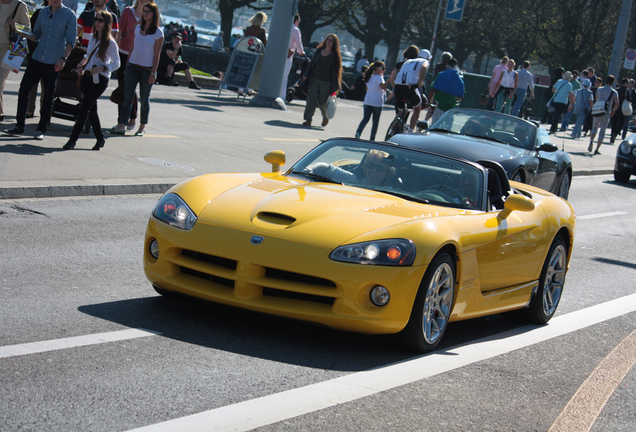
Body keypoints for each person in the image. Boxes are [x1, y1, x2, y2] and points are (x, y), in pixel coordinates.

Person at [6, 0, 76, 140]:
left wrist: (63, 59)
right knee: (24, 89)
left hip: (54, 60)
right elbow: (36, 35)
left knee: (48, 96)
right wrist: (23, 32)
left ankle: (41, 129)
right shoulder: (43, 12)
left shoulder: (70, 15)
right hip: (37, 57)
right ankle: (20, 126)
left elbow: (71, 42)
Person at [62, 10, 119, 150]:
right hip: (88, 76)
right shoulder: (93, 38)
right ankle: (100, 138)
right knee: (91, 110)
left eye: (100, 20)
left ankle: (72, 140)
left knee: (84, 108)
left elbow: (117, 63)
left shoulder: (111, 43)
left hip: (100, 79)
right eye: (96, 19)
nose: (97, 23)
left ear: (107, 24)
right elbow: (88, 55)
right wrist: (81, 65)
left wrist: (104, 68)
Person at [110, 1, 163, 136]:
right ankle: (122, 124)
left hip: (147, 69)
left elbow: (157, 54)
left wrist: (153, 72)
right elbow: (133, 47)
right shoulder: (138, 28)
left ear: (154, 14)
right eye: (143, 11)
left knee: (145, 99)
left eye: (147, 12)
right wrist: (127, 65)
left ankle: (142, 126)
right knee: (127, 97)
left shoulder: (158, 32)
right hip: (133, 66)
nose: (144, 14)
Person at [116, 0, 151, 132]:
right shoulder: (127, 11)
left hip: (138, 57)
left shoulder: (149, 16)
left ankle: (130, 117)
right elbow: (120, 31)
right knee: (123, 87)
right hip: (123, 52)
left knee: (129, 89)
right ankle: (123, 120)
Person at [302, 33, 342, 128]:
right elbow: (311, 63)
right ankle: (308, 119)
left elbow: (336, 71)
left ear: (334, 43)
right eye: (328, 39)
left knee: (322, 102)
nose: (329, 42)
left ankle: (325, 117)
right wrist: (306, 75)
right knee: (311, 99)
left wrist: (337, 84)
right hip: (314, 79)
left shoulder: (334, 55)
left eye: (331, 41)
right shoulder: (319, 50)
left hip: (326, 82)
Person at [0, 0, 30, 122]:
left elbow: (28, 29)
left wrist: (15, 25)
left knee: (0, 81)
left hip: (10, 48)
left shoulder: (20, 6)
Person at [390, 45, 429, 131]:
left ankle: (392, 131)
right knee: (417, 109)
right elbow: (423, 69)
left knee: (400, 113)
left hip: (398, 87)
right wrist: (418, 84)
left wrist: (395, 88)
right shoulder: (422, 61)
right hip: (410, 88)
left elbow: (392, 79)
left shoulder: (403, 63)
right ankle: (411, 130)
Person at [354, 61, 392, 141]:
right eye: (383, 68)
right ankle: (372, 138)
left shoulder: (369, 77)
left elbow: (367, 89)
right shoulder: (379, 77)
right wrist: (389, 80)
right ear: (377, 69)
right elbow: (382, 86)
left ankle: (358, 132)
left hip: (368, 101)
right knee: (375, 122)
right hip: (377, 103)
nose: (384, 70)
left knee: (365, 118)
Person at [25, 0, 48, 120]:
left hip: (50, 57)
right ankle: (29, 110)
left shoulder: (64, 14)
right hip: (35, 54)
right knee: (32, 84)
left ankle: (43, 112)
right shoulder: (39, 12)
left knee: (46, 87)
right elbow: (32, 33)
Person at [588, 75, 619, 155]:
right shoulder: (614, 92)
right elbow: (617, 104)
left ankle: (591, 141)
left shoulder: (599, 89)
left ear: (605, 81)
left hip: (597, 111)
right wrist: (613, 111)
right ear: (613, 82)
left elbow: (596, 99)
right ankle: (597, 148)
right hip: (606, 113)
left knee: (594, 128)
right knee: (602, 131)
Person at [428, 58, 464, 124]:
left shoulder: (441, 74)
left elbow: (432, 90)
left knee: (434, 126)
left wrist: (429, 101)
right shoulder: (459, 79)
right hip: (450, 109)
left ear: (448, 65)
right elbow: (461, 95)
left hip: (438, 105)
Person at [280, 14, 303, 100]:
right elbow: (298, 45)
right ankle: (282, 96)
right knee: (285, 76)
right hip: (288, 54)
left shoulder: (283, 27)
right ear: (296, 20)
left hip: (279, 53)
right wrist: (301, 52)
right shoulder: (295, 30)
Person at [610, 78, 631, 144]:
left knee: (614, 123)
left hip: (615, 109)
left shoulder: (616, 90)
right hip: (622, 109)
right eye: (628, 83)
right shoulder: (626, 91)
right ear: (625, 83)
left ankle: (612, 134)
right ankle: (615, 133)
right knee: (621, 124)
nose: (628, 84)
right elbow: (629, 99)